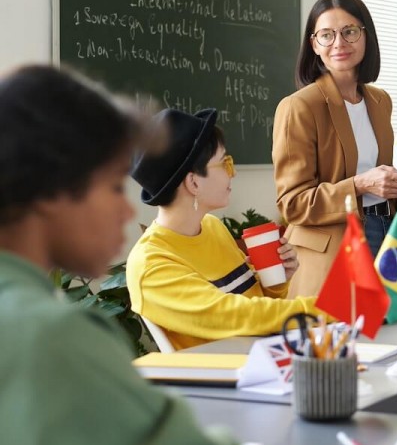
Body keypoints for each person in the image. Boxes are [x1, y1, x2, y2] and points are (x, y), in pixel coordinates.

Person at [0, 65, 397, 445]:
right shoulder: (47, 335)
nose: (124, 205)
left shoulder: (34, 315)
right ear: (53, 189)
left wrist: (280, 283)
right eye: (111, 185)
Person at [273, 0, 397, 297]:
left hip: (384, 237)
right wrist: (359, 184)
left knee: (394, 338)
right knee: (351, 341)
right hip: (332, 252)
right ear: (314, 44)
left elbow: (378, 193)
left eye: (350, 32)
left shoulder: (380, 101)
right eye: (326, 35)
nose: (339, 43)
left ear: (366, 36)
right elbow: (292, 203)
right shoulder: (299, 106)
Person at [127, 108, 321, 350]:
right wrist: (326, 310)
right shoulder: (151, 265)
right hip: (225, 378)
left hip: (267, 359)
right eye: (225, 163)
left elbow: (255, 308)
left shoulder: (212, 227)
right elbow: (237, 316)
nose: (234, 172)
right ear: (193, 182)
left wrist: (276, 281)